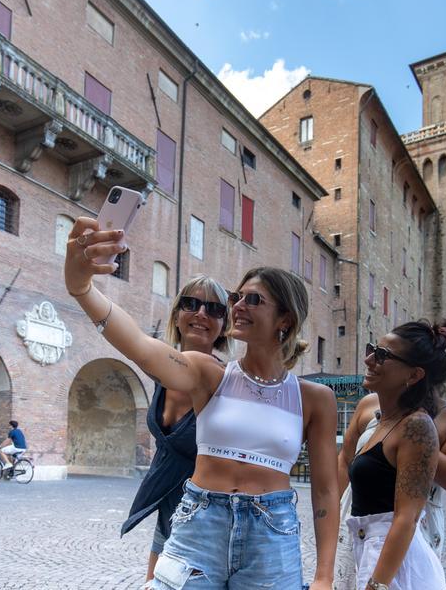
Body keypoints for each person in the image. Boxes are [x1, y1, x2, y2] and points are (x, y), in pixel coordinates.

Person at [65, 219, 338, 590]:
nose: (238, 306)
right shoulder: (209, 374)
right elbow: (142, 347)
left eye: (253, 300)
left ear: (285, 320)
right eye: (236, 297)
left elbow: (324, 490)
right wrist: (82, 288)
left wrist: (324, 576)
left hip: (272, 534)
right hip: (200, 523)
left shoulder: (315, 398)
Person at [335, 325, 446, 589]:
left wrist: (415, 448)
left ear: (415, 376)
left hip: (407, 529)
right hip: (359, 524)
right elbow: (345, 461)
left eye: (381, 355)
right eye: (372, 350)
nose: (369, 360)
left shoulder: (444, 420)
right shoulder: (370, 406)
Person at [120, 276, 231, 582]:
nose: (201, 314)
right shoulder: (161, 375)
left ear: (224, 324)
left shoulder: (226, 383)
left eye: (214, 309)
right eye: (190, 304)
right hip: (169, 510)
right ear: (177, 315)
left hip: (208, 521)